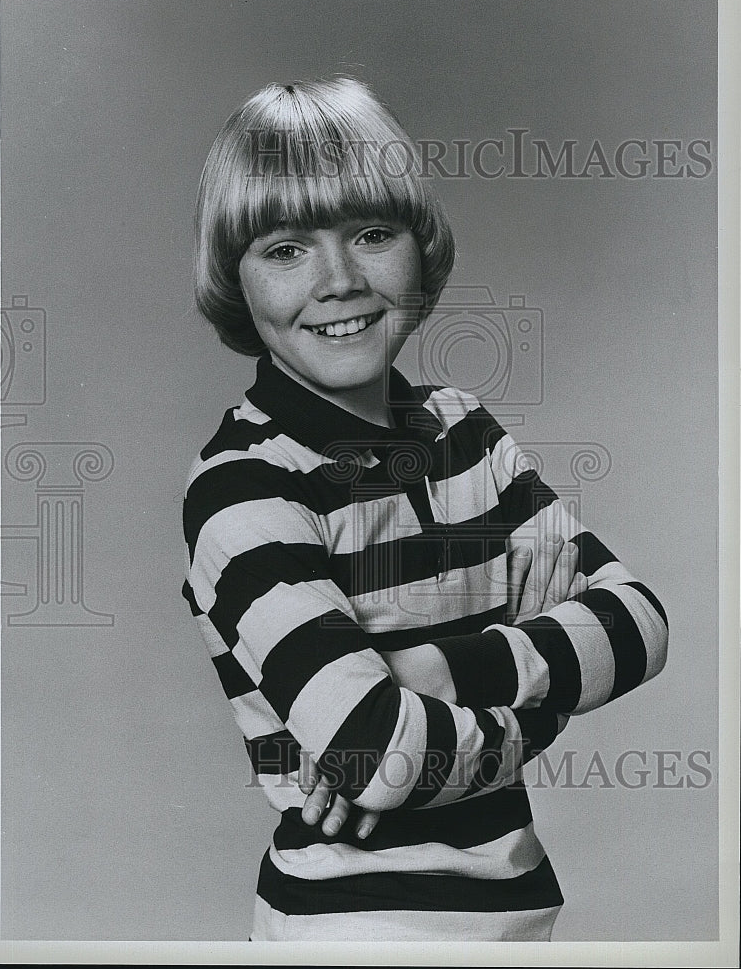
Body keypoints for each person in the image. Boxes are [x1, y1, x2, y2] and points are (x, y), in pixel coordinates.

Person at [182, 77, 669, 942]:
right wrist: (545, 696)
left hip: (519, 912)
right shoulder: (246, 485)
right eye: (286, 248)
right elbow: (378, 755)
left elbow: (638, 625)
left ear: (420, 246)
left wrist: (436, 674)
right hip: (354, 930)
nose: (337, 281)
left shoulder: (463, 431)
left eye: (371, 234)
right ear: (234, 275)